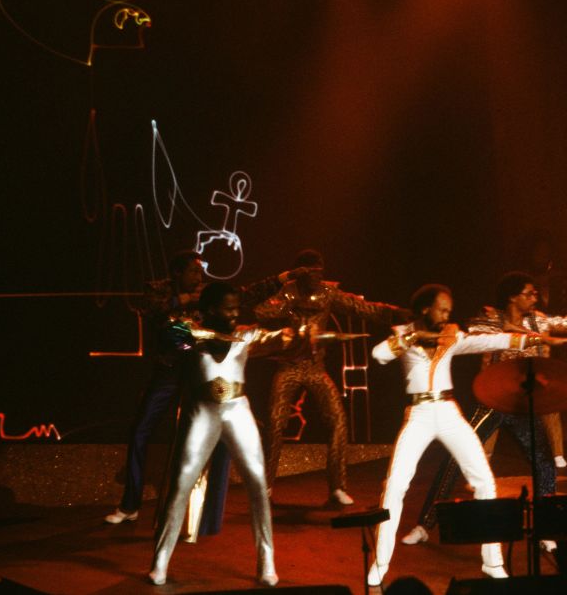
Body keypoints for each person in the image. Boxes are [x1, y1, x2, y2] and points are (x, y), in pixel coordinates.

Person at [400, 271, 567, 550]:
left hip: (522, 406)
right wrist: (523, 332)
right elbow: (473, 336)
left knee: (545, 465)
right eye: (529, 293)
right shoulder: (489, 320)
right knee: (454, 461)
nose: (535, 297)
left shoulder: (538, 320)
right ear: (512, 296)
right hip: (492, 402)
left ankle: (546, 529)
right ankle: (424, 524)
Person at [366, 284, 567, 587]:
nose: (448, 315)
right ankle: (380, 562)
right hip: (418, 414)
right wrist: (412, 338)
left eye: (450, 310)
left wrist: (534, 337)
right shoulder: (403, 332)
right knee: (395, 485)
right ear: (425, 308)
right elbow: (378, 354)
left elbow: (488, 340)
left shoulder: (451, 335)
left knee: (485, 482)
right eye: (442, 308)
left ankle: (493, 562)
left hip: (449, 411)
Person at [105, 250, 295, 527]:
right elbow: (149, 309)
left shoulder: (207, 292)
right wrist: (180, 300)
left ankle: (199, 518)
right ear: (177, 274)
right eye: (194, 271)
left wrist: (282, 278)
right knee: (140, 431)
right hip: (169, 372)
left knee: (209, 438)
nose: (199, 277)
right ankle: (130, 505)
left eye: (200, 272)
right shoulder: (159, 290)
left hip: (199, 374)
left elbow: (246, 293)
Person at [148, 282, 299, 586]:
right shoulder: (191, 334)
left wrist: (296, 334)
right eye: (227, 308)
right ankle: (160, 561)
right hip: (202, 412)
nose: (234, 313)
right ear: (210, 310)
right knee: (180, 486)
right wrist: (199, 331)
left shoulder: (246, 333)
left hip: (237, 411)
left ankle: (266, 561)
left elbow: (279, 338)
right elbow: (167, 337)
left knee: (258, 484)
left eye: (236, 308)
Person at [253, 249, 409, 506]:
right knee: (275, 423)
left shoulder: (328, 293)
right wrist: (288, 295)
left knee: (337, 420)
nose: (316, 276)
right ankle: (265, 486)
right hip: (289, 366)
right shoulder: (288, 292)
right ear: (300, 272)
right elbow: (262, 313)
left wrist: (395, 313)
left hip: (315, 368)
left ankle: (337, 487)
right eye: (311, 271)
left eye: (319, 271)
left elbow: (363, 309)